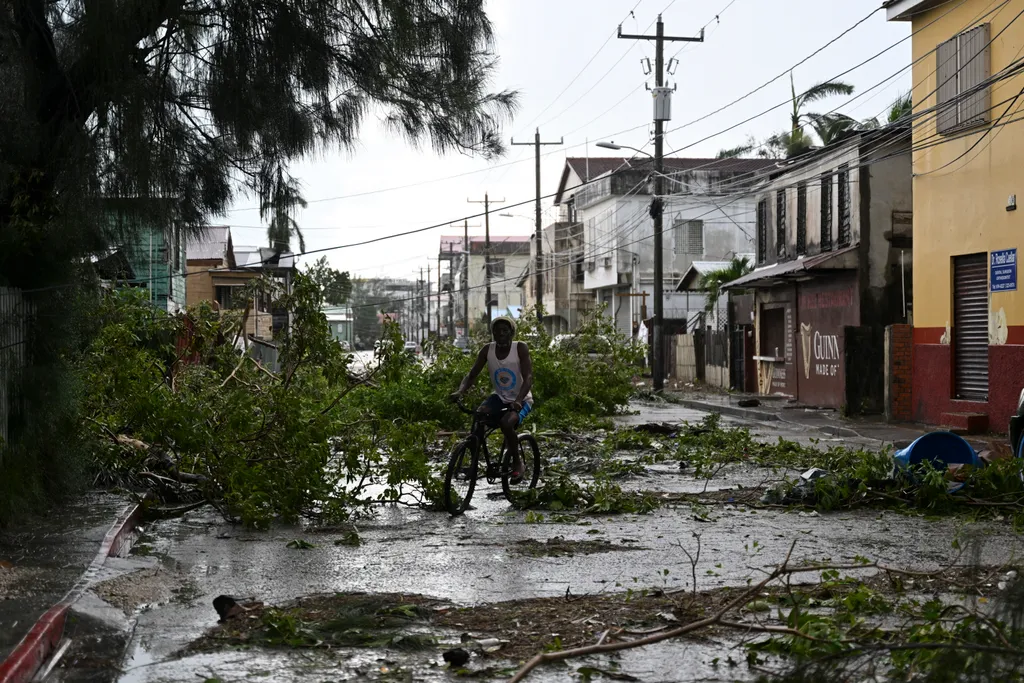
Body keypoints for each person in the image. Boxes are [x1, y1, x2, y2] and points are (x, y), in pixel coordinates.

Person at [450, 316, 533, 482]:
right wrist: (460, 391)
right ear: (492, 333)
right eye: (497, 331)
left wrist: (518, 400)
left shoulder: (520, 348)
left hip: (522, 399)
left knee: (507, 423)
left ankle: (518, 463)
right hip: (500, 397)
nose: (500, 334)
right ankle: (473, 464)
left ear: (511, 333)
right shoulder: (487, 350)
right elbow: (472, 375)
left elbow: (528, 377)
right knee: (479, 417)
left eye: (504, 330)